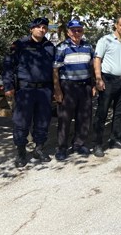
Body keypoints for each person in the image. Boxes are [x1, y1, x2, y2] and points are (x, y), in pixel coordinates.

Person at [3, 17, 55, 167]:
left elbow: (55, 69)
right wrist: (8, 86)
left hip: (45, 89)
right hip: (25, 90)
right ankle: (21, 151)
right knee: (21, 121)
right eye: (38, 27)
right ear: (31, 29)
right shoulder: (20, 45)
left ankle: (39, 148)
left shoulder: (50, 46)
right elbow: (8, 66)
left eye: (44, 27)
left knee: (43, 120)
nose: (41, 29)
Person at [92, 16, 121, 158]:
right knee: (102, 112)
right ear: (116, 25)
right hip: (108, 80)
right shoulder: (105, 40)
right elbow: (97, 60)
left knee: (120, 112)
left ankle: (115, 139)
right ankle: (97, 144)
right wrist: (98, 79)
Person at [53, 20, 95, 161]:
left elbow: (93, 66)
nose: (77, 33)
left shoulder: (88, 46)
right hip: (68, 86)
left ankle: (79, 144)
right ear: (68, 32)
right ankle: (62, 148)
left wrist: (94, 84)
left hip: (85, 86)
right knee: (64, 118)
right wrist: (57, 89)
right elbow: (55, 69)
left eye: (79, 30)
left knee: (84, 117)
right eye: (74, 30)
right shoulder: (62, 47)